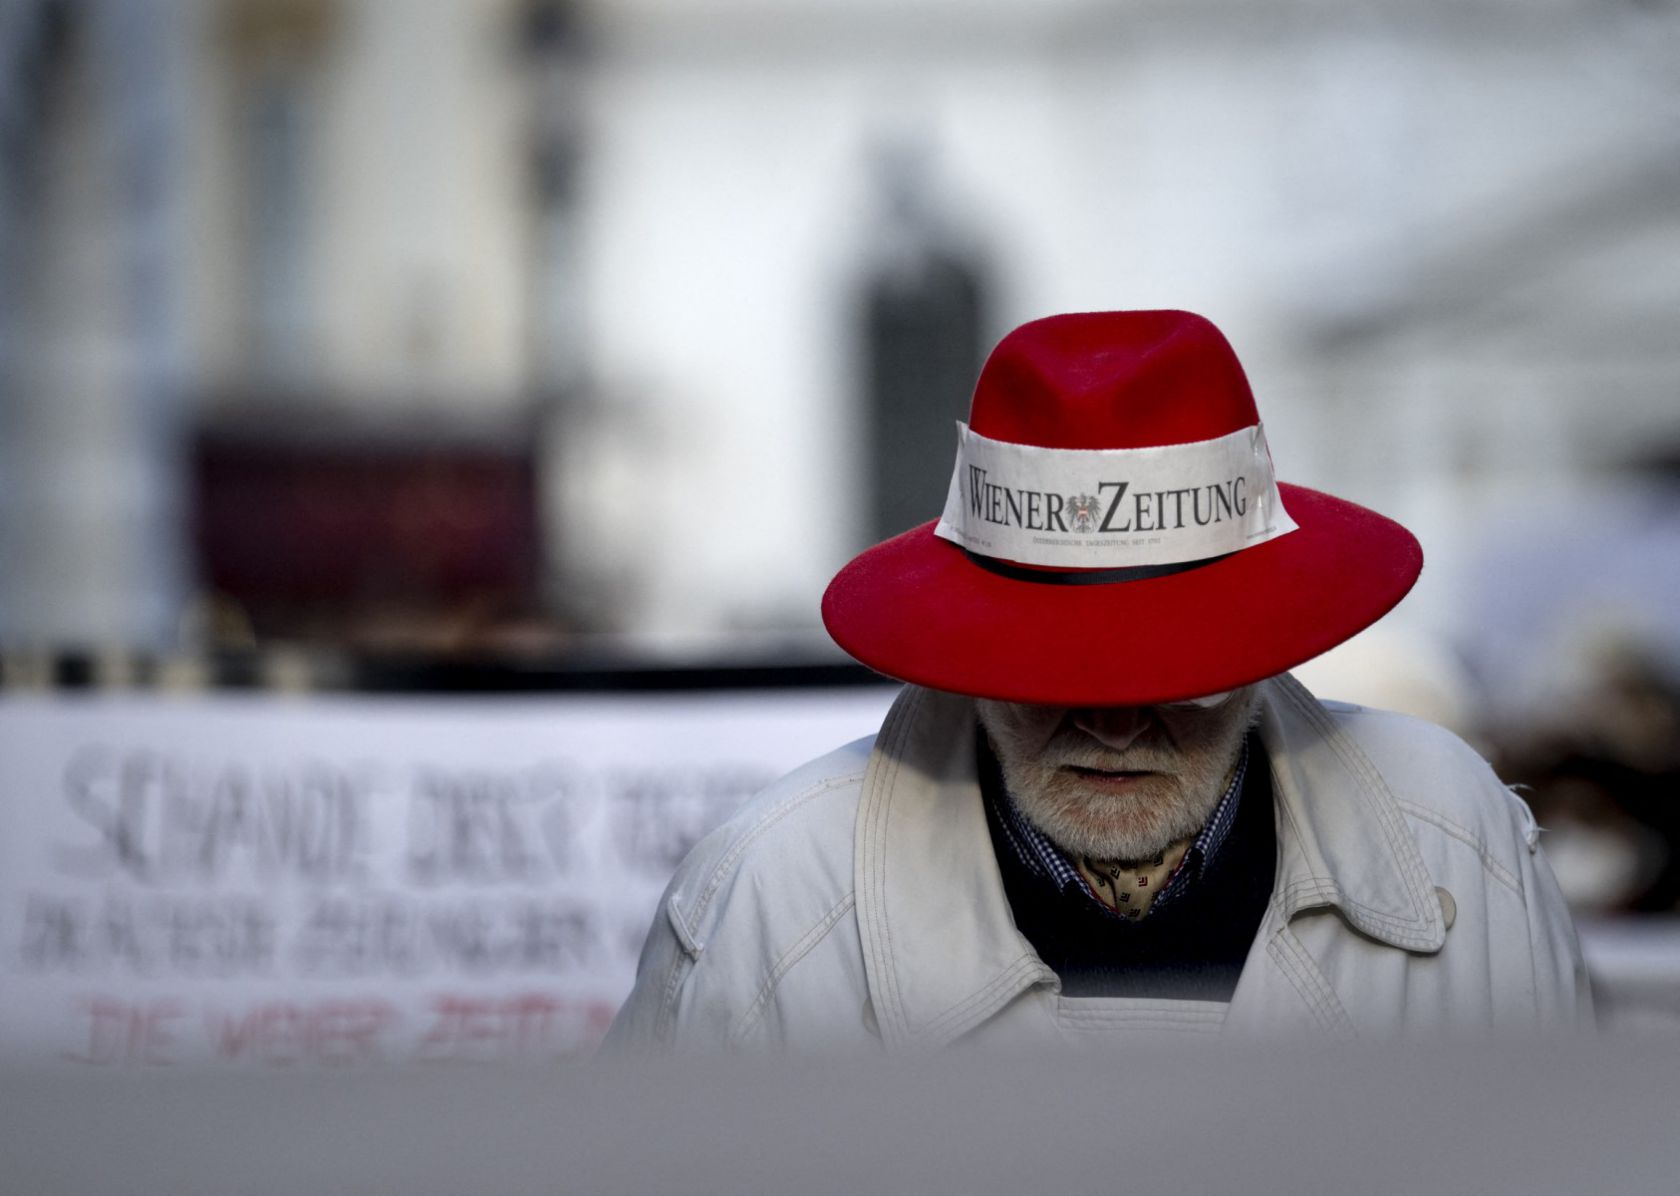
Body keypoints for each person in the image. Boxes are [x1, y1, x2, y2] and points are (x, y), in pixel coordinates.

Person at [605, 310, 1592, 1052]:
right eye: (1050, 669)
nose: (1116, 725)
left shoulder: (1460, 846)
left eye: (1179, 672)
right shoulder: (770, 900)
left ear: (1263, 647)